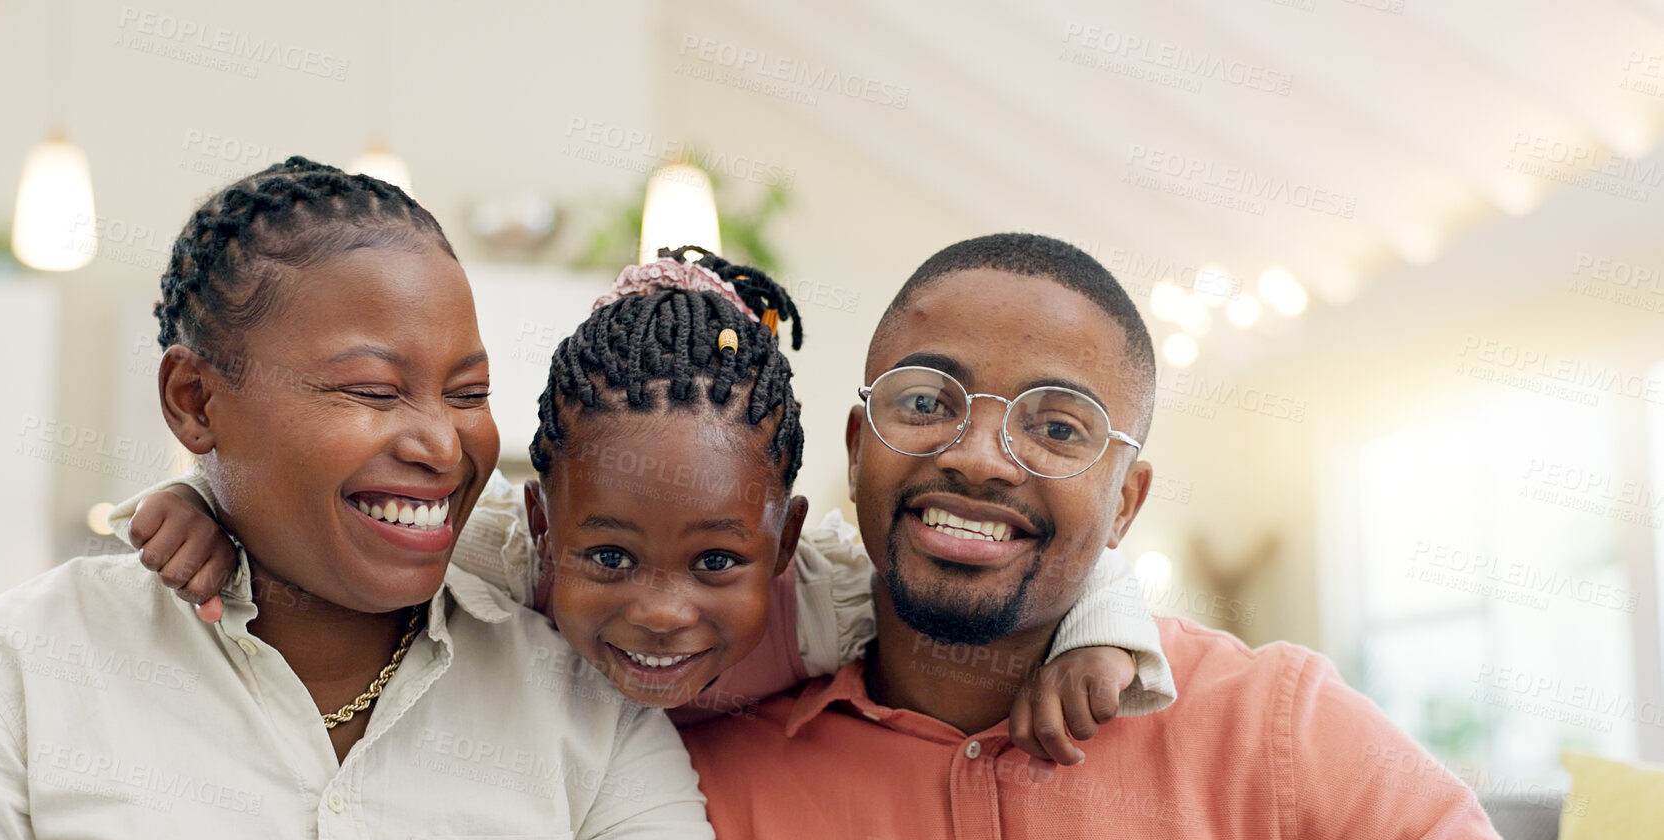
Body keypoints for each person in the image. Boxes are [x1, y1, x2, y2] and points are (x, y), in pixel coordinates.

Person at [0, 158, 767, 840]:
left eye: (467, 394)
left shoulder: (580, 703)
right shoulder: (15, 674)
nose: (441, 442)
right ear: (195, 401)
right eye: (372, 392)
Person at [678, 233, 1644, 840]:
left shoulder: (1281, 733)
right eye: (925, 403)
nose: (977, 456)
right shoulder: (695, 768)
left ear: (1125, 501)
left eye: (1058, 428)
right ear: (857, 449)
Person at [119, 247, 1176, 768]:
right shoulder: (493, 557)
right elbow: (340, 521)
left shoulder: (821, 599)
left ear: (784, 544)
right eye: (610, 558)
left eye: (716, 564)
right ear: (540, 529)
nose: (662, 612)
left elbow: (1008, 561)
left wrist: (1097, 634)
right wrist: (207, 503)